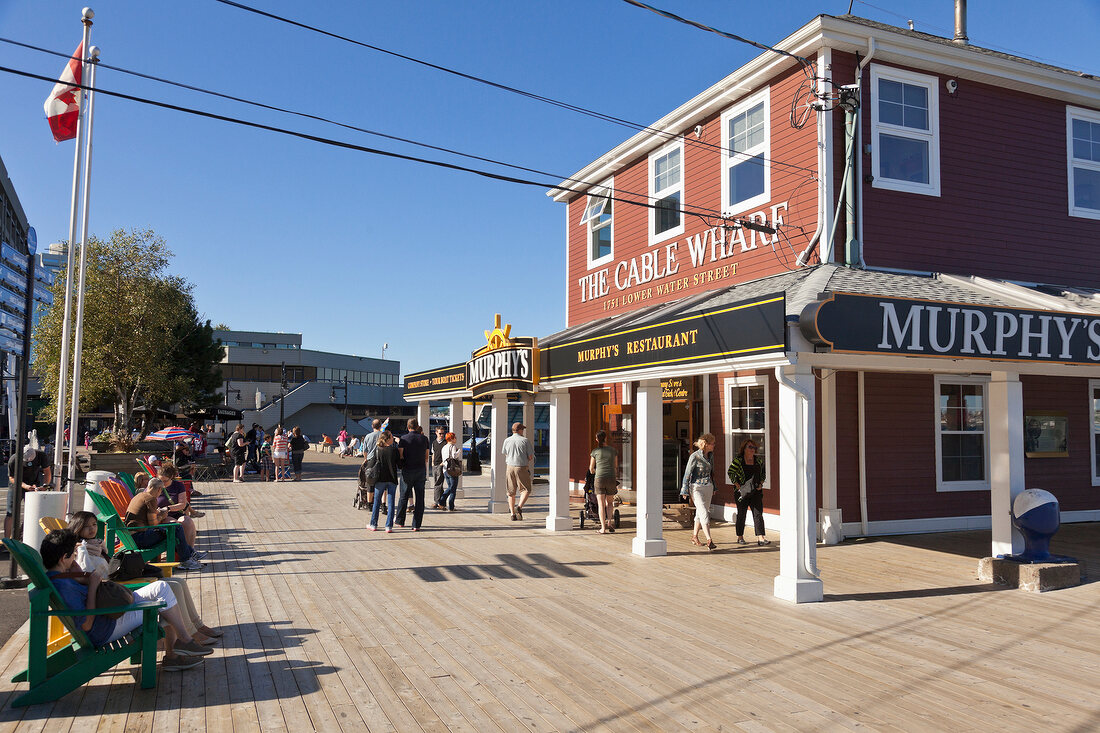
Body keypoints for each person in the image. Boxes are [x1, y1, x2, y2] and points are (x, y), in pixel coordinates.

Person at [40, 529, 212, 671]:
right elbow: (86, 624)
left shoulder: (60, 576)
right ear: (64, 558)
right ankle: (182, 644)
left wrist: (76, 570)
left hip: (109, 616)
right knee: (163, 595)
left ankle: (177, 651)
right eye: (73, 555)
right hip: (105, 628)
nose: (75, 558)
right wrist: (92, 586)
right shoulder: (65, 586)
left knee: (163, 590)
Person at [67, 511, 222, 644]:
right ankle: (190, 633)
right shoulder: (83, 552)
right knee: (170, 588)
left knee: (178, 581)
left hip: (117, 587)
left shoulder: (97, 545)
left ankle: (197, 625)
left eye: (94, 524)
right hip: (115, 594)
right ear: (78, 528)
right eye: (87, 526)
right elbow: (91, 580)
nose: (92, 529)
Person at [125, 477, 203, 571]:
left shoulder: (140, 495)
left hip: (131, 537)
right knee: (176, 528)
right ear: (159, 489)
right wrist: (162, 516)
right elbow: (153, 524)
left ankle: (190, 554)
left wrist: (157, 514)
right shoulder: (151, 499)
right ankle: (186, 559)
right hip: (140, 538)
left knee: (173, 529)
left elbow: (146, 517)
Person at [727, 438, 769, 546]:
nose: (752, 450)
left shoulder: (758, 461)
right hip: (742, 492)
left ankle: (761, 537)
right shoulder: (739, 460)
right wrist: (736, 484)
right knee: (742, 514)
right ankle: (740, 537)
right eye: (750, 447)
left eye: (754, 448)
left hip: (756, 491)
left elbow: (763, 473)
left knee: (758, 514)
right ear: (744, 448)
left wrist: (761, 483)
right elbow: (730, 472)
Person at [6, 444, 51, 541]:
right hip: (16, 486)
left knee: (33, 512)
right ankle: (7, 541)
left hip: (34, 484)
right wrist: (25, 486)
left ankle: (23, 536)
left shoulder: (41, 455)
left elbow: (47, 471)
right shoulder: (13, 460)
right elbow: (11, 478)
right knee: (11, 512)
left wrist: (45, 485)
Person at [681, 433, 717, 550]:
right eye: (712, 443)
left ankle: (694, 536)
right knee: (704, 513)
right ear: (706, 444)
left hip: (708, 486)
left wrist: (714, 487)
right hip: (696, 487)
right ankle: (709, 539)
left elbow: (712, 473)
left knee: (701, 512)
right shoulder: (695, 456)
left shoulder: (710, 456)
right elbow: (687, 473)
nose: (714, 445)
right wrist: (685, 490)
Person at [395, 419, 430, 531]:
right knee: (420, 498)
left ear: (408, 426)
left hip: (407, 470)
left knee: (403, 496)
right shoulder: (424, 439)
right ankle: (416, 524)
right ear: (417, 426)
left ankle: (400, 521)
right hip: (420, 470)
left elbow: (400, 455)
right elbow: (426, 456)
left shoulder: (404, 439)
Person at [502, 422, 534, 521]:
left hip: (509, 467)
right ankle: (519, 507)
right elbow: (530, 457)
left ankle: (512, 514)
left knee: (511, 492)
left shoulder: (507, 440)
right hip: (521, 467)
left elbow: (505, 453)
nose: (523, 431)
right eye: (522, 429)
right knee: (526, 489)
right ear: (519, 430)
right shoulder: (525, 441)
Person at [588, 430, 619, 534]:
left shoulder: (595, 452)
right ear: (606, 438)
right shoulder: (613, 451)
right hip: (611, 478)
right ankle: (610, 522)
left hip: (599, 478)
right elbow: (615, 466)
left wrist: (596, 471)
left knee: (601, 504)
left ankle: (603, 528)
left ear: (597, 439)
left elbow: (591, 469)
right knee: (610, 502)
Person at [369, 431, 400, 532]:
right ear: (388, 439)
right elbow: (400, 465)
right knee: (391, 503)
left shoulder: (378, 450)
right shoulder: (394, 450)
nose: (393, 438)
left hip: (380, 479)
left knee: (377, 502)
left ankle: (373, 524)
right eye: (391, 437)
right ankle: (388, 526)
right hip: (392, 478)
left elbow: (372, 462)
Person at [439, 431, 462, 511]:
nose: (456, 439)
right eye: (455, 437)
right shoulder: (452, 446)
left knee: (450, 487)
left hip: (445, 469)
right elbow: (454, 456)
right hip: (452, 470)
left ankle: (443, 502)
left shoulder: (444, 447)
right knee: (453, 488)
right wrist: (459, 451)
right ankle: (449, 505)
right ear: (451, 439)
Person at [430, 425, 448, 509]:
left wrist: (442, 464)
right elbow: (433, 453)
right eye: (440, 433)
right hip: (435, 465)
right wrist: (432, 463)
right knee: (437, 484)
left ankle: (437, 502)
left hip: (441, 465)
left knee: (438, 484)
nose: (442, 435)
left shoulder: (445, 443)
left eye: (443, 433)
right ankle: (442, 502)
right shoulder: (434, 442)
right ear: (436, 433)